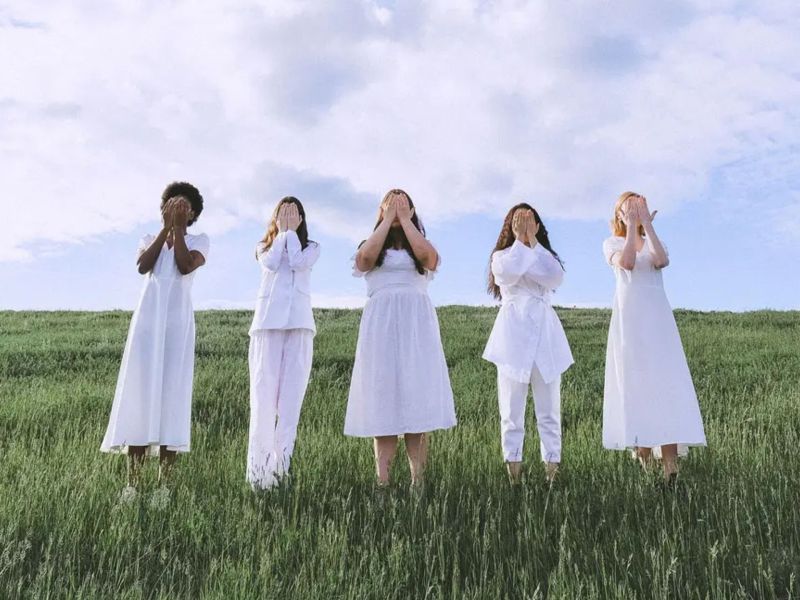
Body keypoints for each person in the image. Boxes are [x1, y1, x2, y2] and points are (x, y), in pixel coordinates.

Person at [101, 181, 209, 505]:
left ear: (193, 214)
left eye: (186, 207)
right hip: (148, 325)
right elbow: (142, 266)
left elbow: (184, 265)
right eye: (175, 204)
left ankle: (164, 488)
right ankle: (132, 486)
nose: (180, 210)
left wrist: (177, 232)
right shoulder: (149, 239)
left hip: (176, 327)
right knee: (140, 395)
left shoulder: (199, 241)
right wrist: (165, 230)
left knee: (171, 399)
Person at [344, 189, 457, 488]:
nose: (396, 209)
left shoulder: (419, 245)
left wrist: (406, 221)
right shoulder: (371, 245)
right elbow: (365, 259)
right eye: (389, 205)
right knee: (383, 401)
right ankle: (383, 483)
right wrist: (386, 219)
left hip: (415, 326)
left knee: (416, 401)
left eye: (402, 204)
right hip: (381, 326)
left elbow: (428, 258)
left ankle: (417, 483)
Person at [602, 192, 706, 483]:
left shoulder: (653, 241)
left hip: (657, 319)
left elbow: (661, 260)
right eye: (628, 209)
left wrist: (646, 225)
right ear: (619, 214)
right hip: (630, 319)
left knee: (665, 384)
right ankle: (643, 457)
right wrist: (632, 225)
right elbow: (628, 263)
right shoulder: (611, 243)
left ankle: (671, 469)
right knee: (637, 384)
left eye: (639, 207)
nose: (634, 213)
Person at [483, 204, 573, 484]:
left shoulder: (545, 256)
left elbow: (554, 277)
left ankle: (552, 475)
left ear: (537, 225)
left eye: (529, 220)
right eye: (518, 221)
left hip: (545, 336)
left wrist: (532, 242)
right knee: (511, 411)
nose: (524, 225)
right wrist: (522, 245)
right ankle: (514, 477)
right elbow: (506, 274)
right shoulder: (501, 257)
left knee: (549, 411)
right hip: (513, 337)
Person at [247, 197, 319, 490]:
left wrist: (290, 234)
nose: (289, 217)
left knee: (290, 405)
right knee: (263, 403)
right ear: (275, 218)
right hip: (267, 326)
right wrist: (283, 233)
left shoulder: (312, 247)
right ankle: (259, 477)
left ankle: (280, 473)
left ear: (302, 219)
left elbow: (299, 263)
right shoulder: (263, 247)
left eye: (294, 214)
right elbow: (273, 263)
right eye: (283, 214)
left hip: (299, 327)